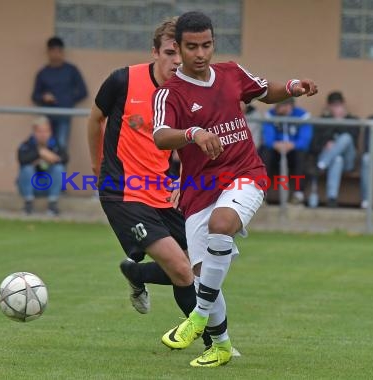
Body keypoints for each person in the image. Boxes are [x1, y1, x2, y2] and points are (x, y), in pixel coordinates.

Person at [152, 11, 318, 367]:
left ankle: (197, 318)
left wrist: (291, 88)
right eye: (192, 47)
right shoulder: (170, 94)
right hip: (199, 189)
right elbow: (161, 136)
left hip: (246, 173)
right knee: (201, 275)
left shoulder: (231, 73)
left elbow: (263, 91)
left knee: (223, 223)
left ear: (214, 43)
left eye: (207, 45)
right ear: (179, 48)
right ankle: (222, 346)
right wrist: (193, 133)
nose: (201, 53)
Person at [86, 18, 215, 351]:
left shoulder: (184, 94)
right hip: (123, 193)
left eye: (181, 53)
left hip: (162, 191)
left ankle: (137, 273)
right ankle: (215, 343)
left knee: (202, 265)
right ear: (155, 52)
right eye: (170, 52)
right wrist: (95, 165)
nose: (177, 60)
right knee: (183, 271)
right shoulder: (123, 81)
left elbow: (188, 143)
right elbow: (94, 119)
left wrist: (183, 181)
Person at [32, 36, 88, 151]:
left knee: (61, 146)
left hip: (64, 114)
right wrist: (44, 97)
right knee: (46, 147)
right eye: (53, 51)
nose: (56, 54)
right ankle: (47, 170)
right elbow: (34, 96)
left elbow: (83, 92)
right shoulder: (43, 73)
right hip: (47, 116)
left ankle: (60, 170)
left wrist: (67, 100)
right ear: (48, 52)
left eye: (58, 51)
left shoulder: (71, 70)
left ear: (62, 52)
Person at [260, 97, 313, 204]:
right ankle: (262, 194)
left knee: (302, 155)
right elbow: (267, 137)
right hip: (276, 150)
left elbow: (305, 139)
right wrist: (275, 144)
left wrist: (293, 145)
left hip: (293, 150)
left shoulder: (302, 115)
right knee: (265, 153)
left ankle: (298, 195)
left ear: (288, 106)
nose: (275, 108)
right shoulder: (270, 114)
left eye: (278, 106)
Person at [312, 91, 359, 207]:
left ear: (344, 105)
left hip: (349, 160)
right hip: (333, 161)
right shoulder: (323, 120)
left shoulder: (352, 119)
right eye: (334, 105)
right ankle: (332, 198)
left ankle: (322, 164)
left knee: (346, 138)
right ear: (329, 106)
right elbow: (315, 144)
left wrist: (340, 122)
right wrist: (328, 141)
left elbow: (354, 138)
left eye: (339, 104)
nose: (337, 107)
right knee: (337, 159)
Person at [17, 116, 68, 216]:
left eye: (46, 131)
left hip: (48, 185)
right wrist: (40, 153)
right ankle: (28, 204)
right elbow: (22, 159)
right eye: (40, 131)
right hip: (30, 186)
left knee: (59, 168)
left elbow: (65, 159)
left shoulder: (55, 144)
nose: (43, 134)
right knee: (26, 168)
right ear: (34, 132)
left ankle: (52, 205)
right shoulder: (27, 145)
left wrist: (53, 158)